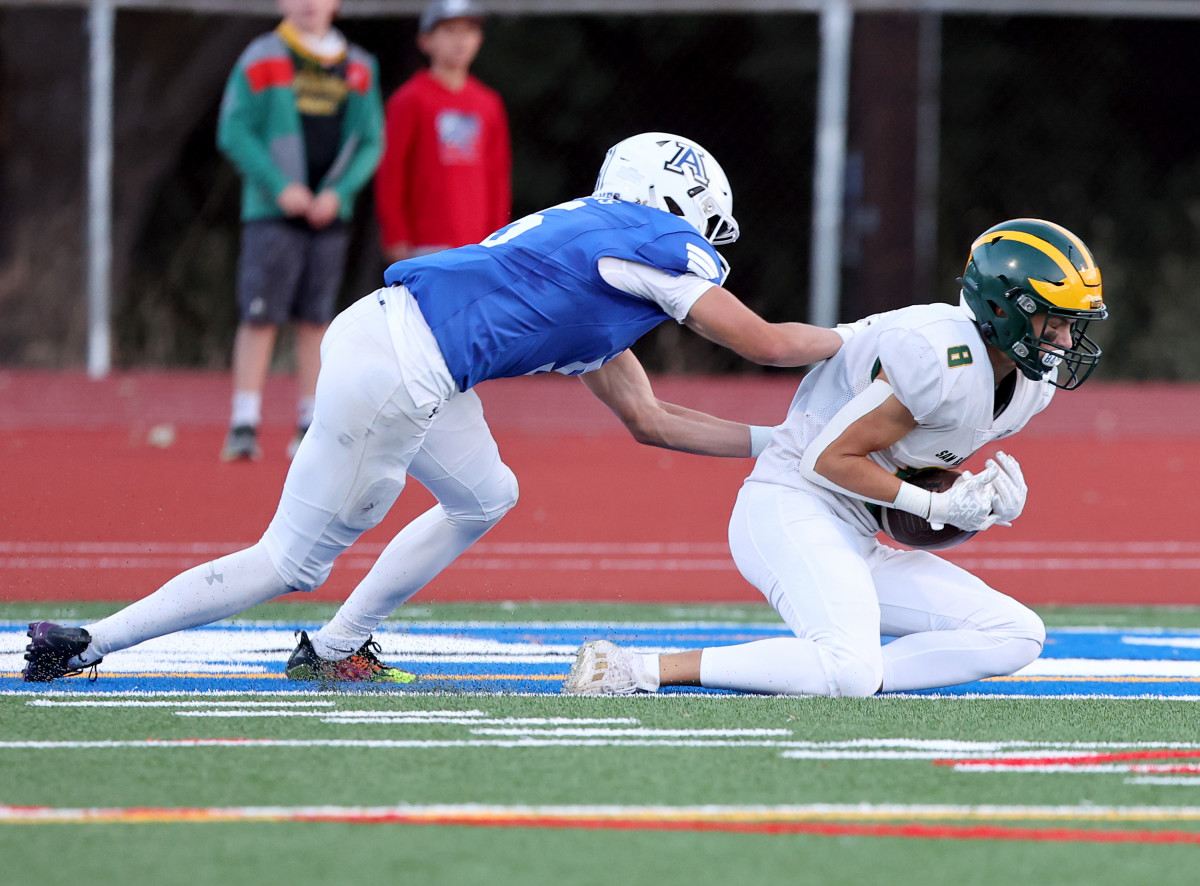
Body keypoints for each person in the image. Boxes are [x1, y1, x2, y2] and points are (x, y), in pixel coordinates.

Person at [24, 132, 852, 685]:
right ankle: (90, 642)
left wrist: (776, 441)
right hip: (405, 371)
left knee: (487, 495)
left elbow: (650, 419)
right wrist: (863, 340)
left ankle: (337, 649)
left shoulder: (590, 254)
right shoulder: (650, 244)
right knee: (290, 562)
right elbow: (770, 345)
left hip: (397, 343)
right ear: (679, 210)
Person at [563, 218, 1108, 698]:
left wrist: (978, 500)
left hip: (858, 532)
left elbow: (911, 466)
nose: (1063, 339)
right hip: (793, 506)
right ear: (1001, 308)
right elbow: (827, 460)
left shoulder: (1031, 385)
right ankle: (634, 667)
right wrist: (938, 507)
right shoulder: (938, 352)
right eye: (1052, 321)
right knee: (847, 669)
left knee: (1016, 634)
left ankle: (849, 674)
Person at [217, 0, 384, 462]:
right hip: (272, 212)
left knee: (316, 319)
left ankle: (311, 420)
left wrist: (339, 192)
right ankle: (244, 421)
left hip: (330, 212)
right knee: (260, 314)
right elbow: (234, 130)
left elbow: (372, 139)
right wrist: (279, 186)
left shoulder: (359, 66)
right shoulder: (261, 56)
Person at [373, 0, 511, 264]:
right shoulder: (409, 99)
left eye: (468, 31)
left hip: (480, 243)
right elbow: (391, 173)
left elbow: (497, 175)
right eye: (449, 31)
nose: (460, 41)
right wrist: (395, 237)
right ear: (426, 41)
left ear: (479, 39)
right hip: (425, 243)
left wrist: (498, 236)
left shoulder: (488, 102)